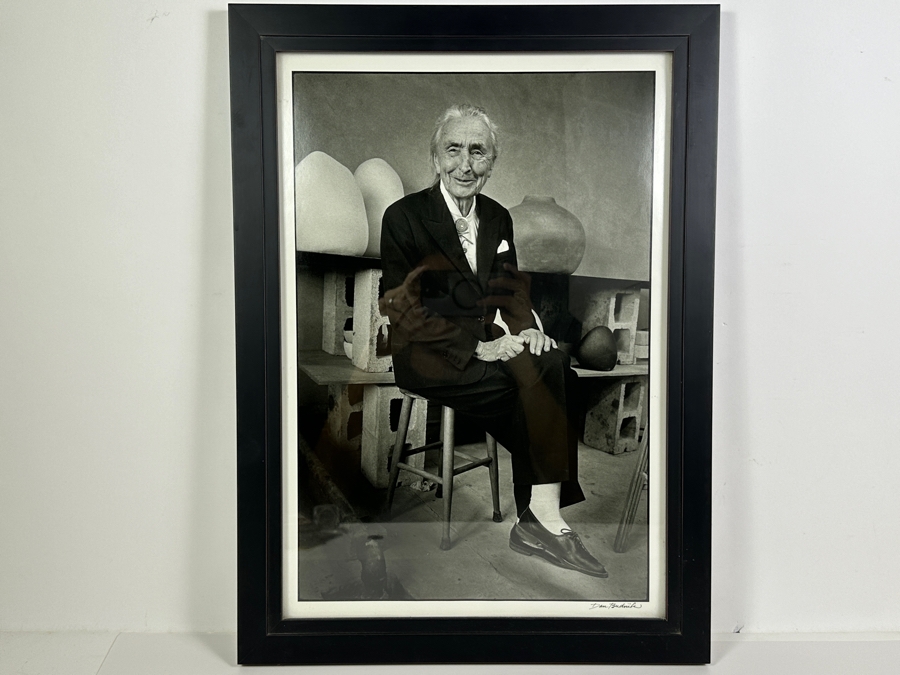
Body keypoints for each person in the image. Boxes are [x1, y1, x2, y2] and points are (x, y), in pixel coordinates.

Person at [379, 104, 607, 578]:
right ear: (435, 158)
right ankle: (539, 521)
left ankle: (542, 518)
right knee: (539, 395)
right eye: (454, 150)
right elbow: (403, 308)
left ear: (492, 162)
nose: (465, 164)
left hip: (484, 348)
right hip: (428, 355)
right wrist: (478, 347)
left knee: (554, 369)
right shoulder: (403, 217)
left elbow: (509, 289)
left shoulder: (499, 218)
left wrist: (527, 331)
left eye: (477, 152)